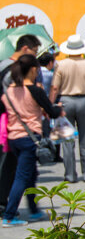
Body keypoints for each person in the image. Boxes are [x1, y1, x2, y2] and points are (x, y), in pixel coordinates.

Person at [1, 54, 61, 227]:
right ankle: (10, 215)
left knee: (30, 174)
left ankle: (33, 210)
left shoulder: (8, 91)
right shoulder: (35, 90)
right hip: (29, 139)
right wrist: (59, 110)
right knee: (21, 177)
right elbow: (51, 111)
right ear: (33, 69)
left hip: (13, 138)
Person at [50, 34, 85, 182]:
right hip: (83, 101)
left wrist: (50, 105)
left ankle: (70, 175)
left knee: (67, 140)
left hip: (65, 101)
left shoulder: (60, 64)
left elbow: (54, 87)